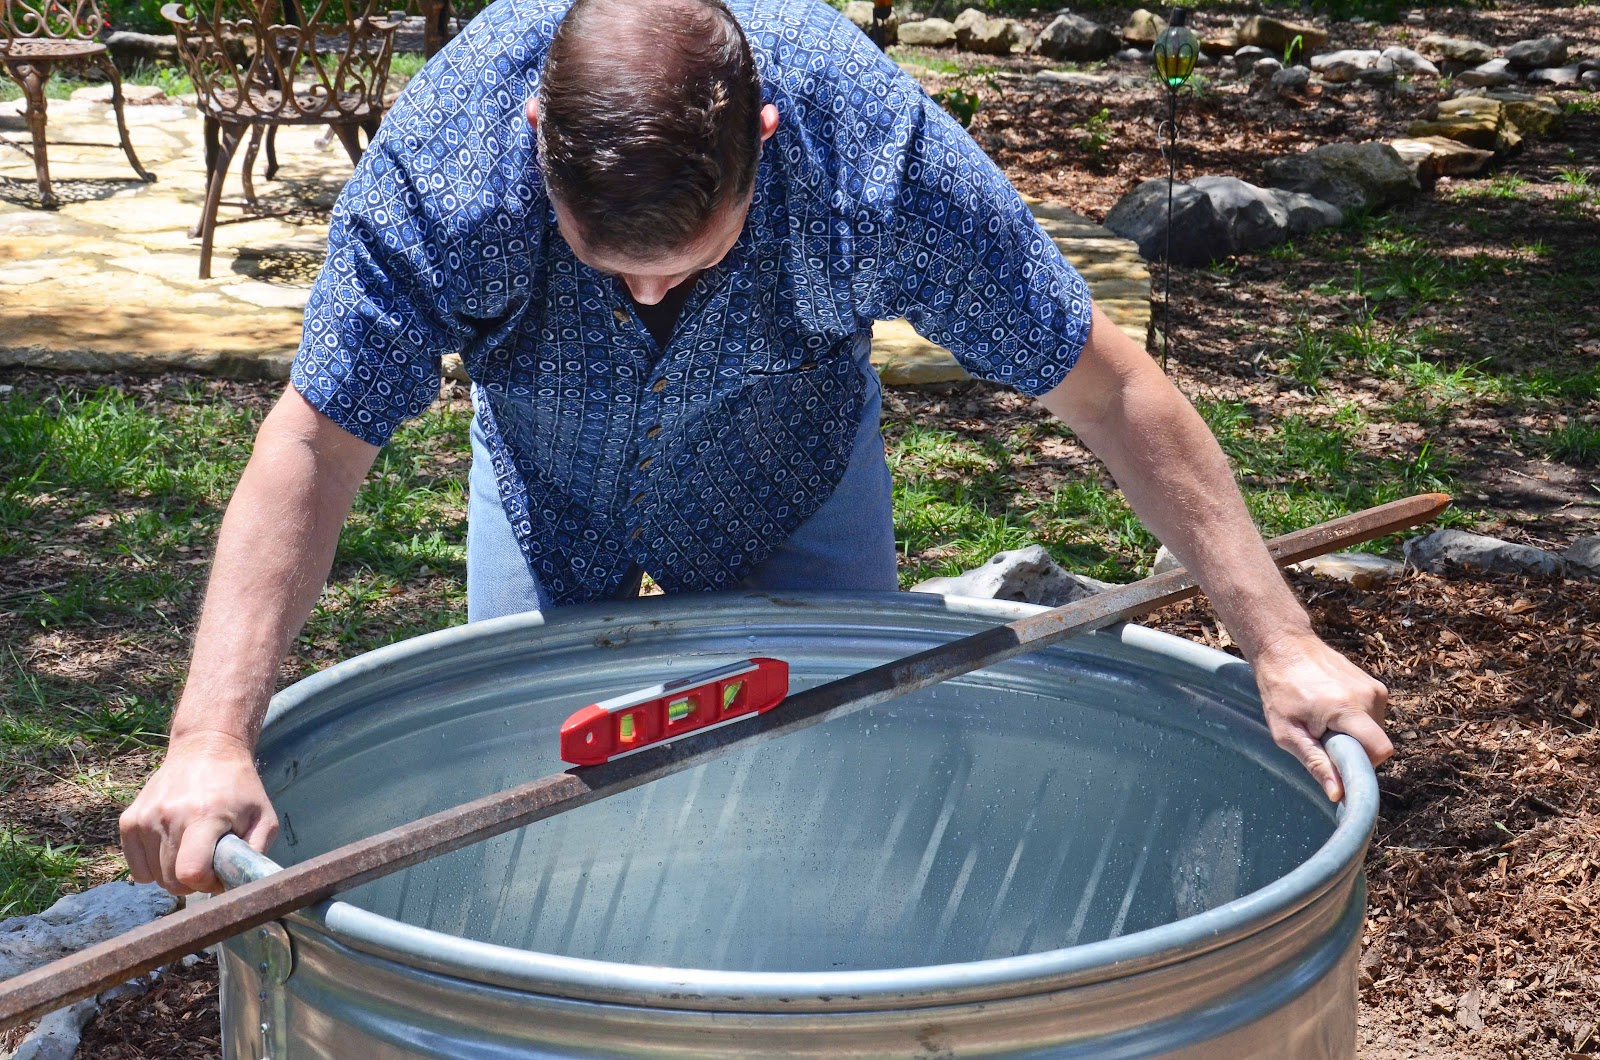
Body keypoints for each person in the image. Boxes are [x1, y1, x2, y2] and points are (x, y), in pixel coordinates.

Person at [120, 0, 1391, 896]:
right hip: (545, 482)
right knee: (534, 809)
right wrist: (208, 738)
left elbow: (1110, 390)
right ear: (531, 144)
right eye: (609, 266)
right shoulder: (443, 170)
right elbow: (317, 436)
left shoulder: (874, 156)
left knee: (838, 782)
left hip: (795, 473)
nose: (654, 302)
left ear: (766, 141)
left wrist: (1280, 640)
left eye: (695, 261)